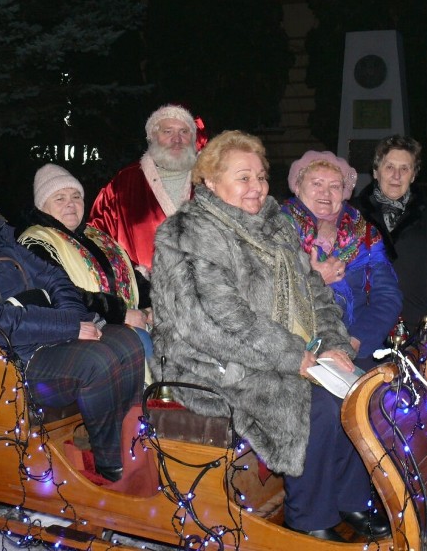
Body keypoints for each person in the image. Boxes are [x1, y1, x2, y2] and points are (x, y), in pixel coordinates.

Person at [151, 130, 390, 541]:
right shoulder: (188, 232)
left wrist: (333, 343)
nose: (257, 187)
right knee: (311, 402)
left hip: (276, 348)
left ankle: (350, 498)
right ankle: (308, 519)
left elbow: (313, 291)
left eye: (261, 176)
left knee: (357, 384)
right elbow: (214, 319)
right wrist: (290, 355)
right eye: (243, 177)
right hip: (208, 360)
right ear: (210, 181)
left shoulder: (276, 226)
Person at [0, 170, 145, 482]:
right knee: (97, 362)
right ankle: (110, 466)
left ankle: (131, 447)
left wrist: (75, 318)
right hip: (3, 360)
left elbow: (56, 279)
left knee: (128, 342)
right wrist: (68, 326)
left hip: (40, 336)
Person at [17, 164, 153, 366]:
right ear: (42, 205)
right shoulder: (36, 241)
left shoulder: (95, 236)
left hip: (130, 323)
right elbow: (60, 293)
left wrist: (152, 304)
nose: (70, 204)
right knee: (138, 343)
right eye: (60, 198)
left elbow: (129, 274)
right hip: (82, 328)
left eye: (76, 197)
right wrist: (121, 314)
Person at [281, 150, 402, 368]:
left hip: (354, 348)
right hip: (295, 353)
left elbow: (387, 296)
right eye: (316, 183)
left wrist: (356, 340)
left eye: (335, 186)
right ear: (298, 187)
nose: (325, 193)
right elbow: (267, 294)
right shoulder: (276, 229)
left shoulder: (365, 235)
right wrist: (316, 279)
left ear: (345, 192)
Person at [355, 135, 427, 326]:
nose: (396, 176)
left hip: (418, 329)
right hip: (361, 328)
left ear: (414, 175)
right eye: (389, 167)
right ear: (376, 171)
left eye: (404, 169)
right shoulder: (353, 214)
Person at [87, 104, 200, 275]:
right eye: (167, 131)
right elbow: (97, 240)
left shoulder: (212, 181)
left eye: (184, 132)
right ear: (153, 137)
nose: (177, 139)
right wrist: (133, 282)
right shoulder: (122, 185)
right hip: (143, 297)